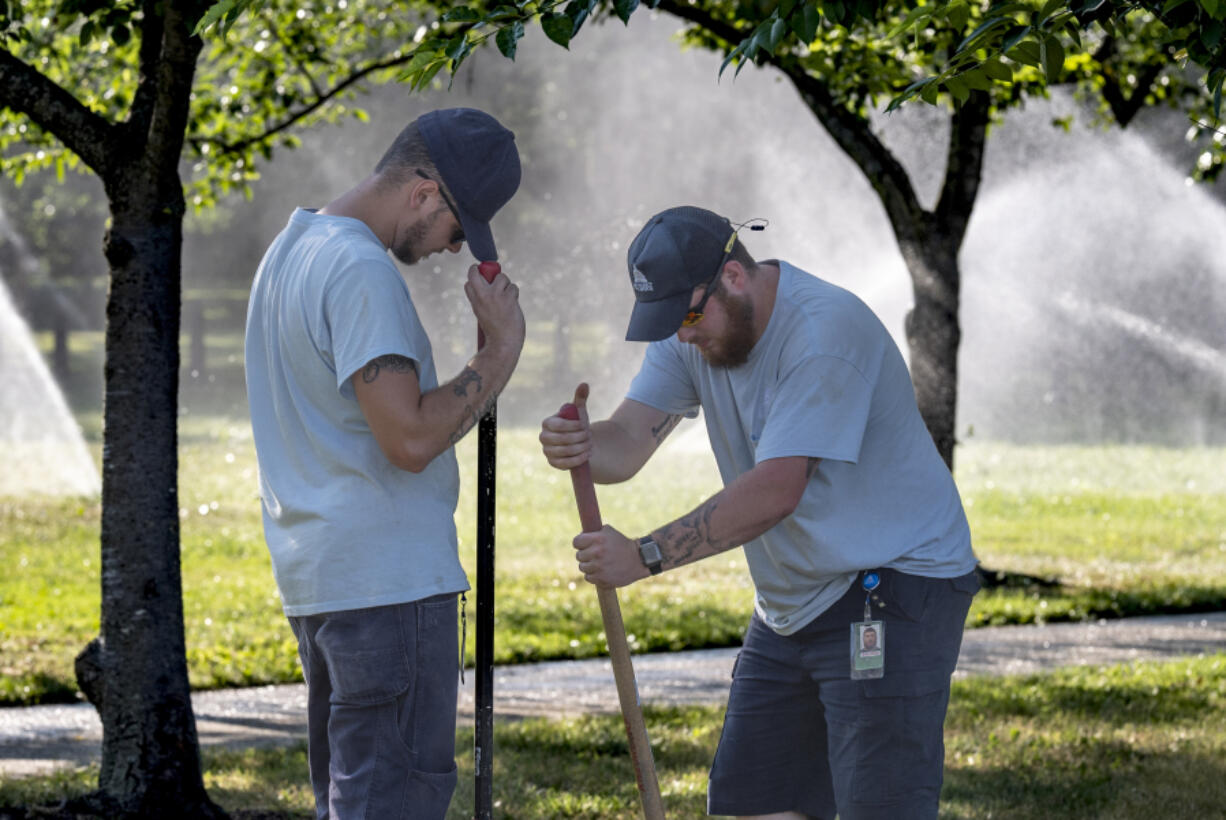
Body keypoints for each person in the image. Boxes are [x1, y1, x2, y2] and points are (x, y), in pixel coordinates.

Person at [539, 205, 980, 820]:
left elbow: (776, 490)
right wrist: (583, 444)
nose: (683, 336)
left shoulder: (824, 336)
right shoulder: (689, 331)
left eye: (689, 316)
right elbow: (629, 440)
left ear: (734, 277)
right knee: (754, 805)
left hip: (895, 583)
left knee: (878, 807)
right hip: (794, 601)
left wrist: (644, 555)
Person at [245, 107, 525, 820]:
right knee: (393, 801)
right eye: (458, 230)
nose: (451, 248)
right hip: (388, 589)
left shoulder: (291, 251)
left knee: (353, 799)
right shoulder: (360, 268)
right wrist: (496, 357)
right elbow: (407, 440)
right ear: (425, 191)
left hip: (327, 584)